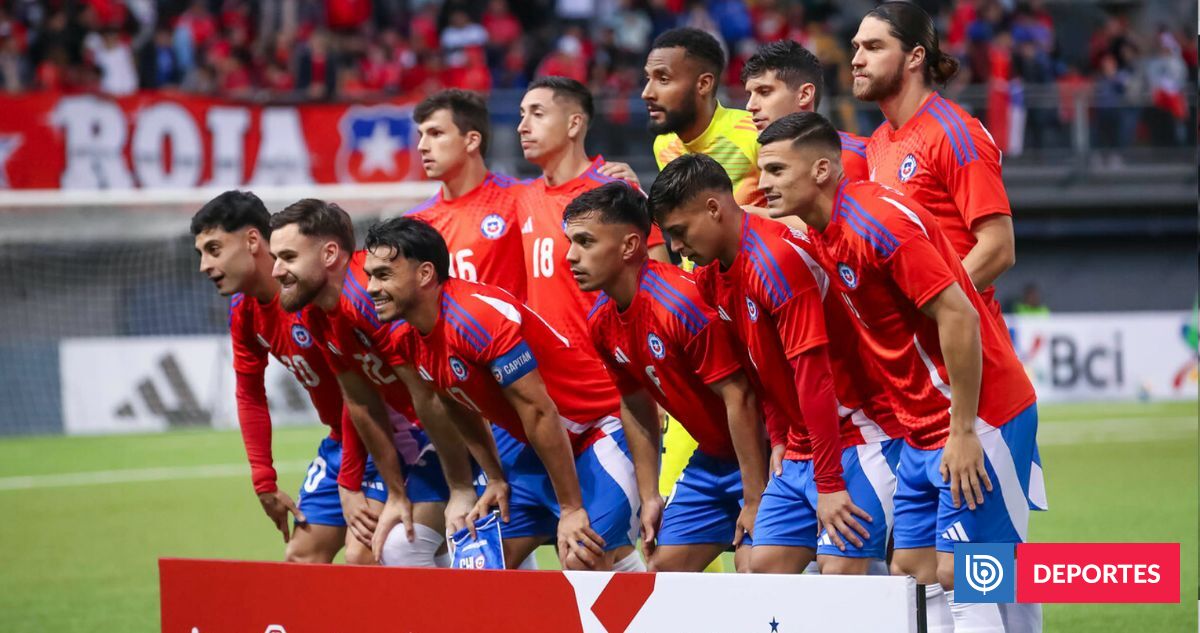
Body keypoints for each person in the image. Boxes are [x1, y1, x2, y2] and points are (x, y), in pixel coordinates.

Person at [758, 111, 1044, 632]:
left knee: (965, 573)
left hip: (978, 415)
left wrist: (963, 430)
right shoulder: (826, 226)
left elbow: (959, 315)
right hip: (918, 429)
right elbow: (753, 221)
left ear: (820, 170)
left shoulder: (877, 223)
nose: (763, 183)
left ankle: (1070, 578)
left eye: (776, 170)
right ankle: (1033, 574)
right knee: (913, 570)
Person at [648, 154, 887, 576]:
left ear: (713, 208)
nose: (676, 248)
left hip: (866, 433)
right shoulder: (713, 277)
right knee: (761, 570)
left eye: (679, 232)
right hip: (805, 444)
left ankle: (1007, 592)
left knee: (948, 565)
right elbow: (762, 367)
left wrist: (829, 482)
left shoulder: (775, 259)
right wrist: (779, 437)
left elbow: (815, 377)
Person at [363, 216, 645, 572]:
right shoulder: (407, 338)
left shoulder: (475, 318)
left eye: (383, 275)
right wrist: (494, 477)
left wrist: (571, 508)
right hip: (538, 448)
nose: (371, 287)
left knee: (584, 556)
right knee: (480, 566)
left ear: (425, 274)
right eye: (370, 276)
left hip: (599, 429)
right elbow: (458, 404)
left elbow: (539, 411)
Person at [563, 182, 767, 572]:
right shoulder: (601, 321)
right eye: (570, 242)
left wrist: (754, 497)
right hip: (713, 459)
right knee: (661, 571)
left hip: (762, 450)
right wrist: (649, 496)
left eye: (585, 242)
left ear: (629, 246)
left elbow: (740, 396)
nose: (571, 255)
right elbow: (635, 404)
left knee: (753, 568)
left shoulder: (680, 304)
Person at [268, 199, 477, 568]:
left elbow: (427, 393)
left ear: (329, 254)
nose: (276, 270)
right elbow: (360, 401)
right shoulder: (317, 312)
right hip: (424, 435)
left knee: (397, 547)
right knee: (395, 547)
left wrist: (459, 484)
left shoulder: (367, 297)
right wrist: (394, 492)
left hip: (468, 425)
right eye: (275, 258)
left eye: (288, 257)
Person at [190, 190, 379, 565]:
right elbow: (249, 394)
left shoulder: (315, 294)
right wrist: (264, 480)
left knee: (364, 553)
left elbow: (357, 390)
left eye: (214, 249)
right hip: (344, 439)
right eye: (201, 254)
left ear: (252, 240)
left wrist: (349, 480)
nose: (204, 266)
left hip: (386, 433)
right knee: (300, 557)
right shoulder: (244, 310)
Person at [851, 2, 1016, 323]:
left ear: (915, 56)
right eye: (856, 47)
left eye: (874, 47)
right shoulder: (879, 141)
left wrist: (933, 313)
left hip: (971, 347)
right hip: (922, 346)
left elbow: (998, 248)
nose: (857, 59)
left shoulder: (954, 133)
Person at [515, 76, 669, 352]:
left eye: (537, 114)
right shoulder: (525, 197)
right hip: (548, 371)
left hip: (607, 367)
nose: (522, 127)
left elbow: (661, 279)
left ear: (574, 124)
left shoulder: (615, 189)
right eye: (522, 115)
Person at [405, 90, 527, 298]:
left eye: (436, 133)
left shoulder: (522, 199)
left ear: (471, 141)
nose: (422, 146)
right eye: (421, 135)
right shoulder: (416, 223)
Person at [643, 27, 765, 208]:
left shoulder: (755, 133)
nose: (647, 93)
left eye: (663, 79)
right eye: (648, 78)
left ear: (703, 84)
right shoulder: (663, 145)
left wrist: (743, 216)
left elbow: (800, 218)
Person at [742, 40, 869, 181]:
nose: (750, 106)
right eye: (749, 95)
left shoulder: (862, 155)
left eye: (764, 92)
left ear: (804, 95)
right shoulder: (746, 162)